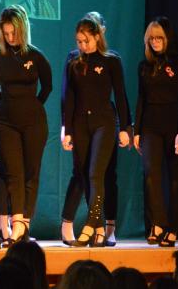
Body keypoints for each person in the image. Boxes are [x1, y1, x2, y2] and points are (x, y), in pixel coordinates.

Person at [61, 18, 131, 247]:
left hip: (104, 123)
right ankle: (99, 230)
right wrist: (67, 130)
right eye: (79, 41)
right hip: (80, 123)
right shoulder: (73, 61)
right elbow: (68, 98)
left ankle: (90, 225)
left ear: (98, 37)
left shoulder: (111, 60)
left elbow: (120, 95)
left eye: (87, 41)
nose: (83, 45)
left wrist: (126, 128)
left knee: (95, 174)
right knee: (83, 173)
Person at [0, 5, 51, 245]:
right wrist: (3, 108)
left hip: (34, 122)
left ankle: (24, 224)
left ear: (23, 29)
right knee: (13, 172)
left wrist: (33, 105)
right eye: (5, 33)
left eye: (13, 33)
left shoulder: (35, 56)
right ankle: (16, 222)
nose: (10, 37)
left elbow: (48, 86)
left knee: (31, 173)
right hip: (5, 122)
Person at [134, 17, 178, 248]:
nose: (155, 42)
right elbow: (141, 99)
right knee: (151, 175)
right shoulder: (144, 66)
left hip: (174, 127)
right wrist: (136, 131)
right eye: (152, 39)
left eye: (159, 38)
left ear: (167, 39)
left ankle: (173, 228)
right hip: (150, 127)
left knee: (176, 179)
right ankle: (158, 223)